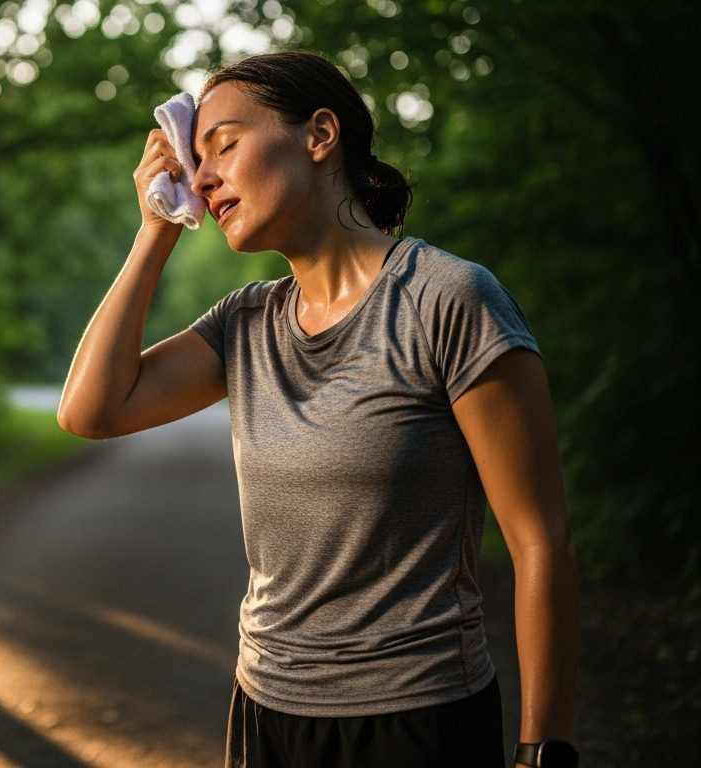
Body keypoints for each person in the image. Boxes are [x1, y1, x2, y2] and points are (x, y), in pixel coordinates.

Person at [57, 51, 579, 768]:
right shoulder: (246, 321)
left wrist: (542, 750)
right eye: (193, 160)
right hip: (266, 712)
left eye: (224, 147)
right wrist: (157, 229)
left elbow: (540, 541)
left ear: (319, 134)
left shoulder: (447, 299)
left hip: (419, 720)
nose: (202, 178)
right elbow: (91, 411)